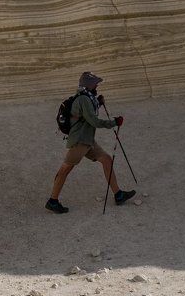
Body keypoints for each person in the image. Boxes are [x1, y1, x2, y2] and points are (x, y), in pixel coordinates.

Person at [46, 71, 135, 213]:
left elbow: (86, 115)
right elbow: (94, 121)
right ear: (89, 85)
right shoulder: (84, 99)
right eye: (95, 84)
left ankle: (118, 194)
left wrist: (98, 103)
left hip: (87, 141)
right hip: (80, 141)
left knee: (107, 160)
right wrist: (114, 122)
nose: (97, 86)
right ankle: (53, 201)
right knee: (64, 170)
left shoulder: (87, 98)